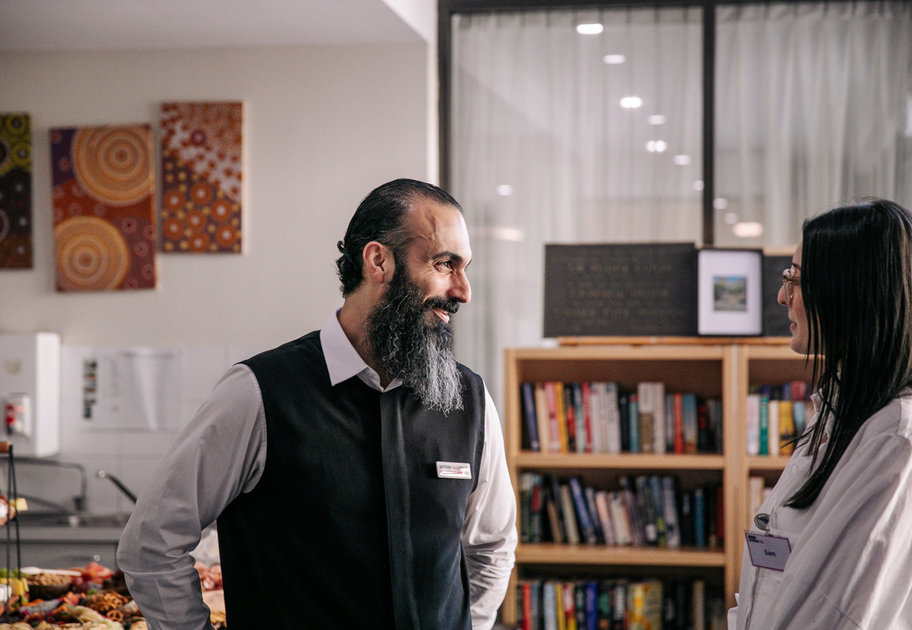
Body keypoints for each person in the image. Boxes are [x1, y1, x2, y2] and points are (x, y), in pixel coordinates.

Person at [118, 179, 517, 630]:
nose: (463, 290)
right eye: (445, 264)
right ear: (378, 260)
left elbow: (491, 548)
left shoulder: (471, 400)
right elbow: (151, 545)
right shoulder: (257, 393)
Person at [729, 199, 912, 629]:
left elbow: (837, 613)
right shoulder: (837, 410)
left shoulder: (893, 439)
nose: (782, 296)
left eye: (794, 279)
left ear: (847, 291)